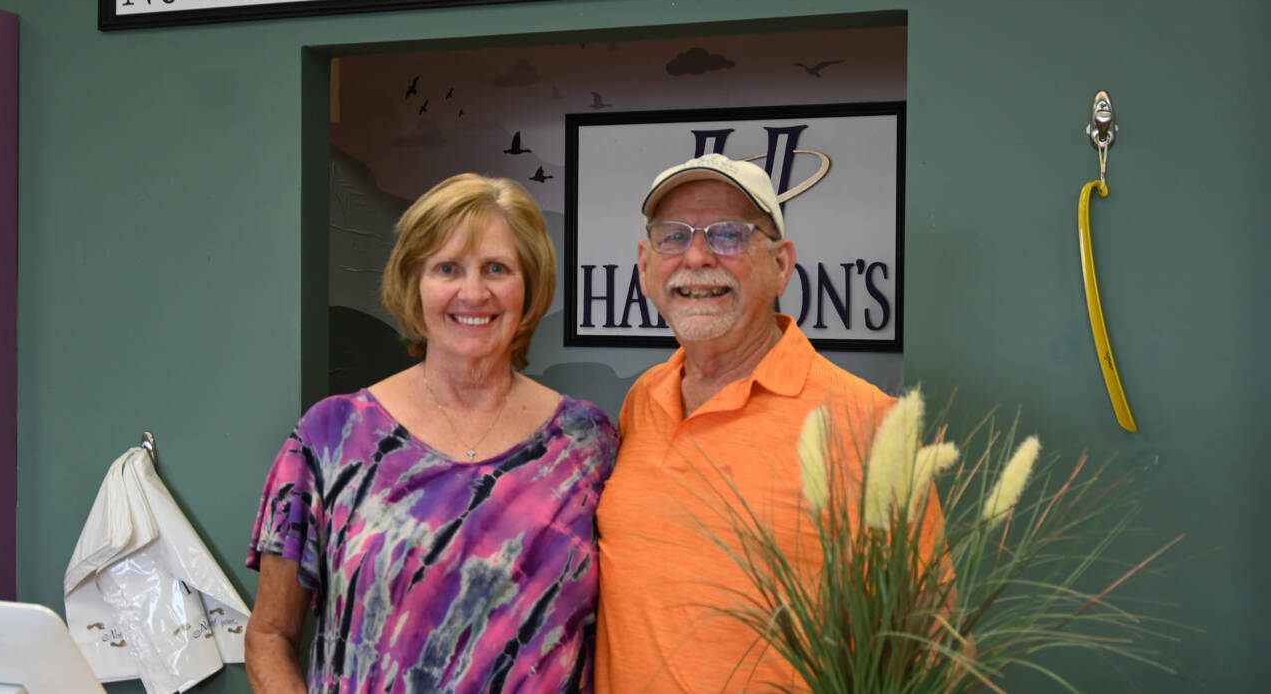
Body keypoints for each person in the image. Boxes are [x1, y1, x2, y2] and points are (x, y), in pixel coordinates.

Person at [245, 173, 618, 694]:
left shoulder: (587, 443)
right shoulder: (330, 437)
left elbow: (619, 639)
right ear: (413, 283)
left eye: (496, 269)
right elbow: (267, 635)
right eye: (448, 268)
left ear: (528, 285)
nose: (473, 292)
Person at [594, 154, 933, 693]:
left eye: (729, 235)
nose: (698, 256)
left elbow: (926, 647)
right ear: (643, 264)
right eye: (673, 237)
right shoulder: (642, 402)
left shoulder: (870, 423)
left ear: (781, 264)